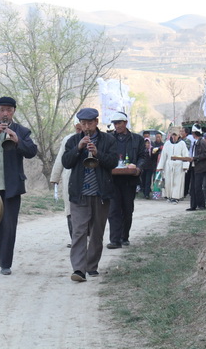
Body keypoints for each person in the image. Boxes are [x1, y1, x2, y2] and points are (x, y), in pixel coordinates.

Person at [0, 96, 38, 275]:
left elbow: (31, 152)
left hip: (12, 186)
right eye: (2, 110)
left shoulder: (22, 130)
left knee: (8, 225)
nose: (5, 113)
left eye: (8, 110)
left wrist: (17, 141)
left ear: (13, 112)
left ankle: (5, 263)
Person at [62, 108, 117, 282]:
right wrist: (79, 148)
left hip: (100, 194)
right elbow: (66, 162)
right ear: (80, 124)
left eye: (90, 123)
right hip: (79, 194)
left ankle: (91, 266)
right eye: (83, 123)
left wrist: (98, 152)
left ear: (96, 122)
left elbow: (113, 162)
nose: (86, 126)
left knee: (96, 232)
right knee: (79, 231)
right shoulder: (73, 140)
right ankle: (78, 269)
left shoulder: (108, 140)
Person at [106, 111, 146, 249]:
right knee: (113, 210)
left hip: (130, 180)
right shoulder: (108, 138)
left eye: (119, 123)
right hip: (113, 179)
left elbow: (143, 156)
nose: (117, 125)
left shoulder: (137, 139)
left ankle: (124, 236)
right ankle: (114, 240)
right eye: (115, 123)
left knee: (127, 209)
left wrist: (138, 168)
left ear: (126, 123)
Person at [49, 116, 82, 248]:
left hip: (87, 181)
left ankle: (88, 237)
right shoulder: (68, 140)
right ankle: (74, 238)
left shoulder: (94, 139)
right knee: (69, 209)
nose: (80, 130)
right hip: (69, 178)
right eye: (78, 128)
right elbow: (60, 160)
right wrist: (55, 178)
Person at [156, 130, 189, 204]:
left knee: (177, 182)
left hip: (178, 165)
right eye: (173, 135)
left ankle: (175, 197)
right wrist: (160, 166)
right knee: (168, 181)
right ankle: (169, 196)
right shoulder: (167, 144)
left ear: (178, 136)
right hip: (169, 165)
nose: (174, 137)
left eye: (175, 135)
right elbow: (163, 156)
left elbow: (185, 155)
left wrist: (185, 166)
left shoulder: (182, 144)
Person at [185, 125, 206, 211]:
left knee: (197, 187)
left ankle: (202, 205)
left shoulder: (202, 142)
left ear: (194, 133)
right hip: (194, 167)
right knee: (192, 187)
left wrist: (195, 158)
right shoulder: (195, 142)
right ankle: (193, 205)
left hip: (200, 168)